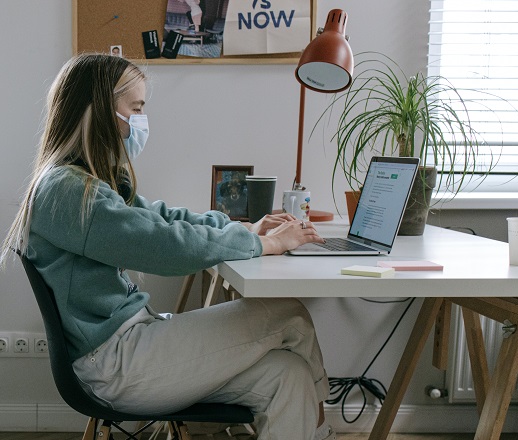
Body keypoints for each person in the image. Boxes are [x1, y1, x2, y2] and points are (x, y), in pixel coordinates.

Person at [0, 54, 335, 440]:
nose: (142, 120)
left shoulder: (85, 183)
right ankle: (324, 431)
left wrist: (241, 227)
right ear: (103, 112)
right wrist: (263, 244)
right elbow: (163, 245)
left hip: (131, 345)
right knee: (289, 314)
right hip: (115, 363)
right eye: (136, 108)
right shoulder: (68, 192)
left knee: (287, 376)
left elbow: (162, 219)